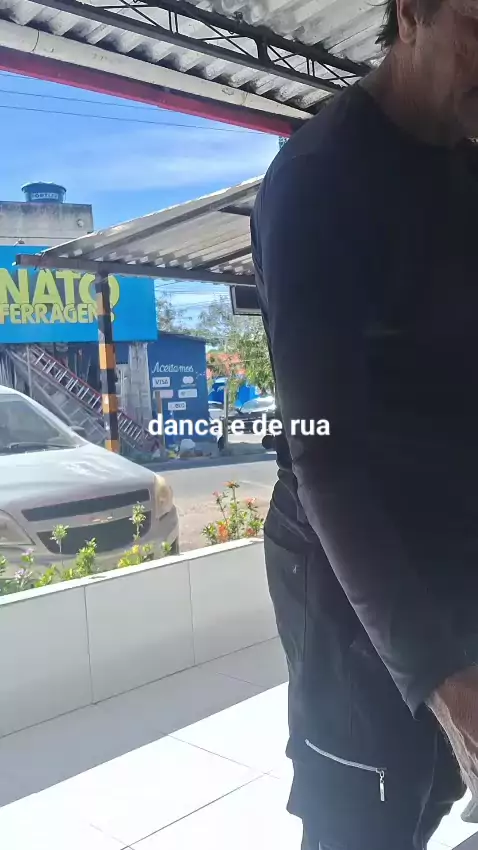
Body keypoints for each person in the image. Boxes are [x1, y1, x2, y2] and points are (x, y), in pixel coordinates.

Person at [251, 0, 478, 848]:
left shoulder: (465, 166)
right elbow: (325, 459)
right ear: (412, 12)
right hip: (353, 586)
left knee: (437, 797)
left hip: (451, 557)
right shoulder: (321, 181)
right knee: (366, 819)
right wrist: (440, 678)